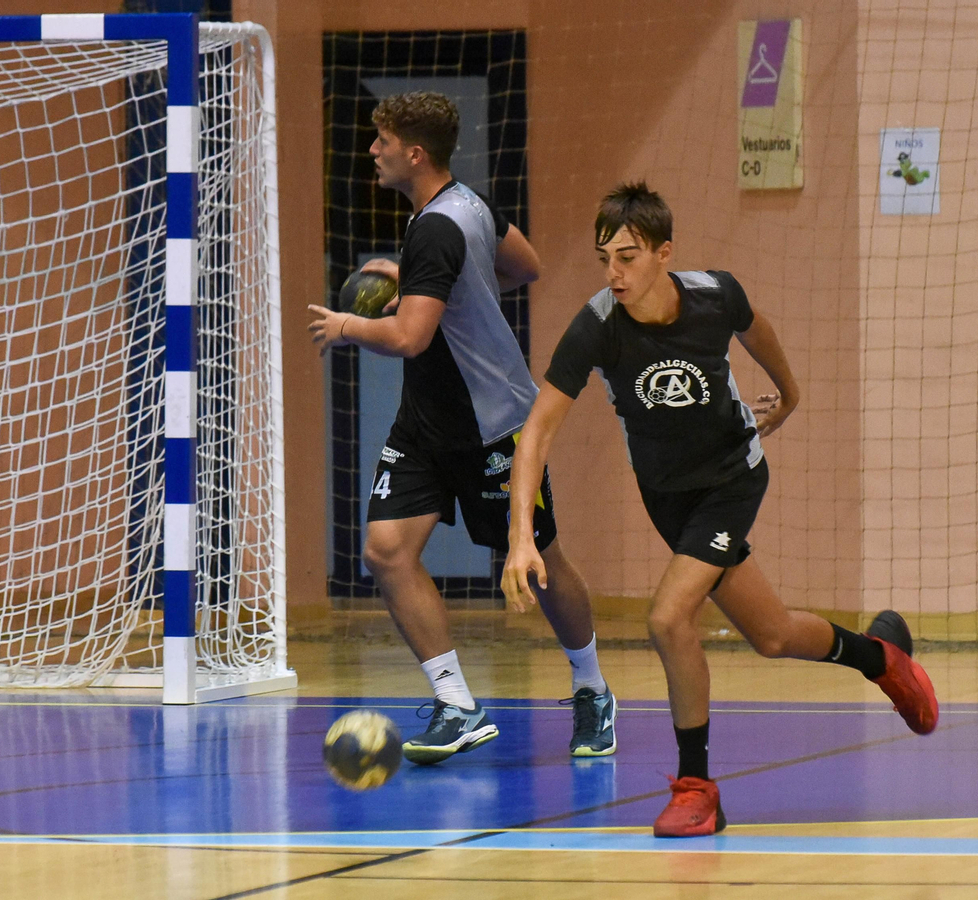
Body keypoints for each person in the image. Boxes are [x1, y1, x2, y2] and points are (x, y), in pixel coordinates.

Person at [500, 181, 938, 835]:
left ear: (663, 253)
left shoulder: (713, 296)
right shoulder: (597, 327)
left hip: (732, 479)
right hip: (668, 497)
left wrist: (788, 396)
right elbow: (536, 432)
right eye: (604, 259)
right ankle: (883, 659)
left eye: (627, 256)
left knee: (669, 617)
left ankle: (698, 787)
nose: (613, 273)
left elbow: (757, 330)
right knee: (772, 634)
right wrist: (519, 539)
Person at [307, 92, 616, 763]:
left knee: (540, 566)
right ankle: (456, 704)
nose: (373, 150)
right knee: (387, 551)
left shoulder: (439, 229)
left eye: (381, 140)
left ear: (414, 153)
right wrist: (427, 280)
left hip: (493, 424)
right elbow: (522, 266)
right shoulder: (465, 206)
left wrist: (348, 326)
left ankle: (593, 688)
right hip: (425, 424)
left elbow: (411, 336)